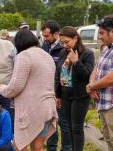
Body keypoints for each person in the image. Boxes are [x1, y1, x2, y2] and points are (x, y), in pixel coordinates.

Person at [0, 30, 58, 151]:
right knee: (37, 147)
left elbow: (16, 86)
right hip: (48, 108)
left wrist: (1, 88)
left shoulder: (24, 56)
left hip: (32, 110)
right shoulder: (47, 55)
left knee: (18, 144)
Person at [87, 14, 113, 151]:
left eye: (102, 33)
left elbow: (111, 78)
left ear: (112, 31)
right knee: (109, 141)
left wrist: (91, 87)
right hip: (104, 104)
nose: (99, 37)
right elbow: (97, 68)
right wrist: (92, 86)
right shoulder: (107, 49)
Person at [55, 26, 95, 151]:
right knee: (67, 127)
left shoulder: (87, 54)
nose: (64, 45)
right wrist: (58, 95)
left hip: (80, 96)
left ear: (76, 38)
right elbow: (58, 75)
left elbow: (88, 75)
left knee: (77, 128)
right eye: (62, 42)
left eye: (67, 42)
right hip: (65, 95)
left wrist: (76, 61)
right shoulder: (63, 53)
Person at [41, 20, 71, 151]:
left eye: (47, 36)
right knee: (49, 122)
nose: (45, 38)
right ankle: (51, 148)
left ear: (56, 34)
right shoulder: (44, 47)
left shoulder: (64, 49)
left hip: (61, 92)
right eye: (43, 36)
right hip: (46, 92)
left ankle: (67, 148)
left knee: (64, 123)